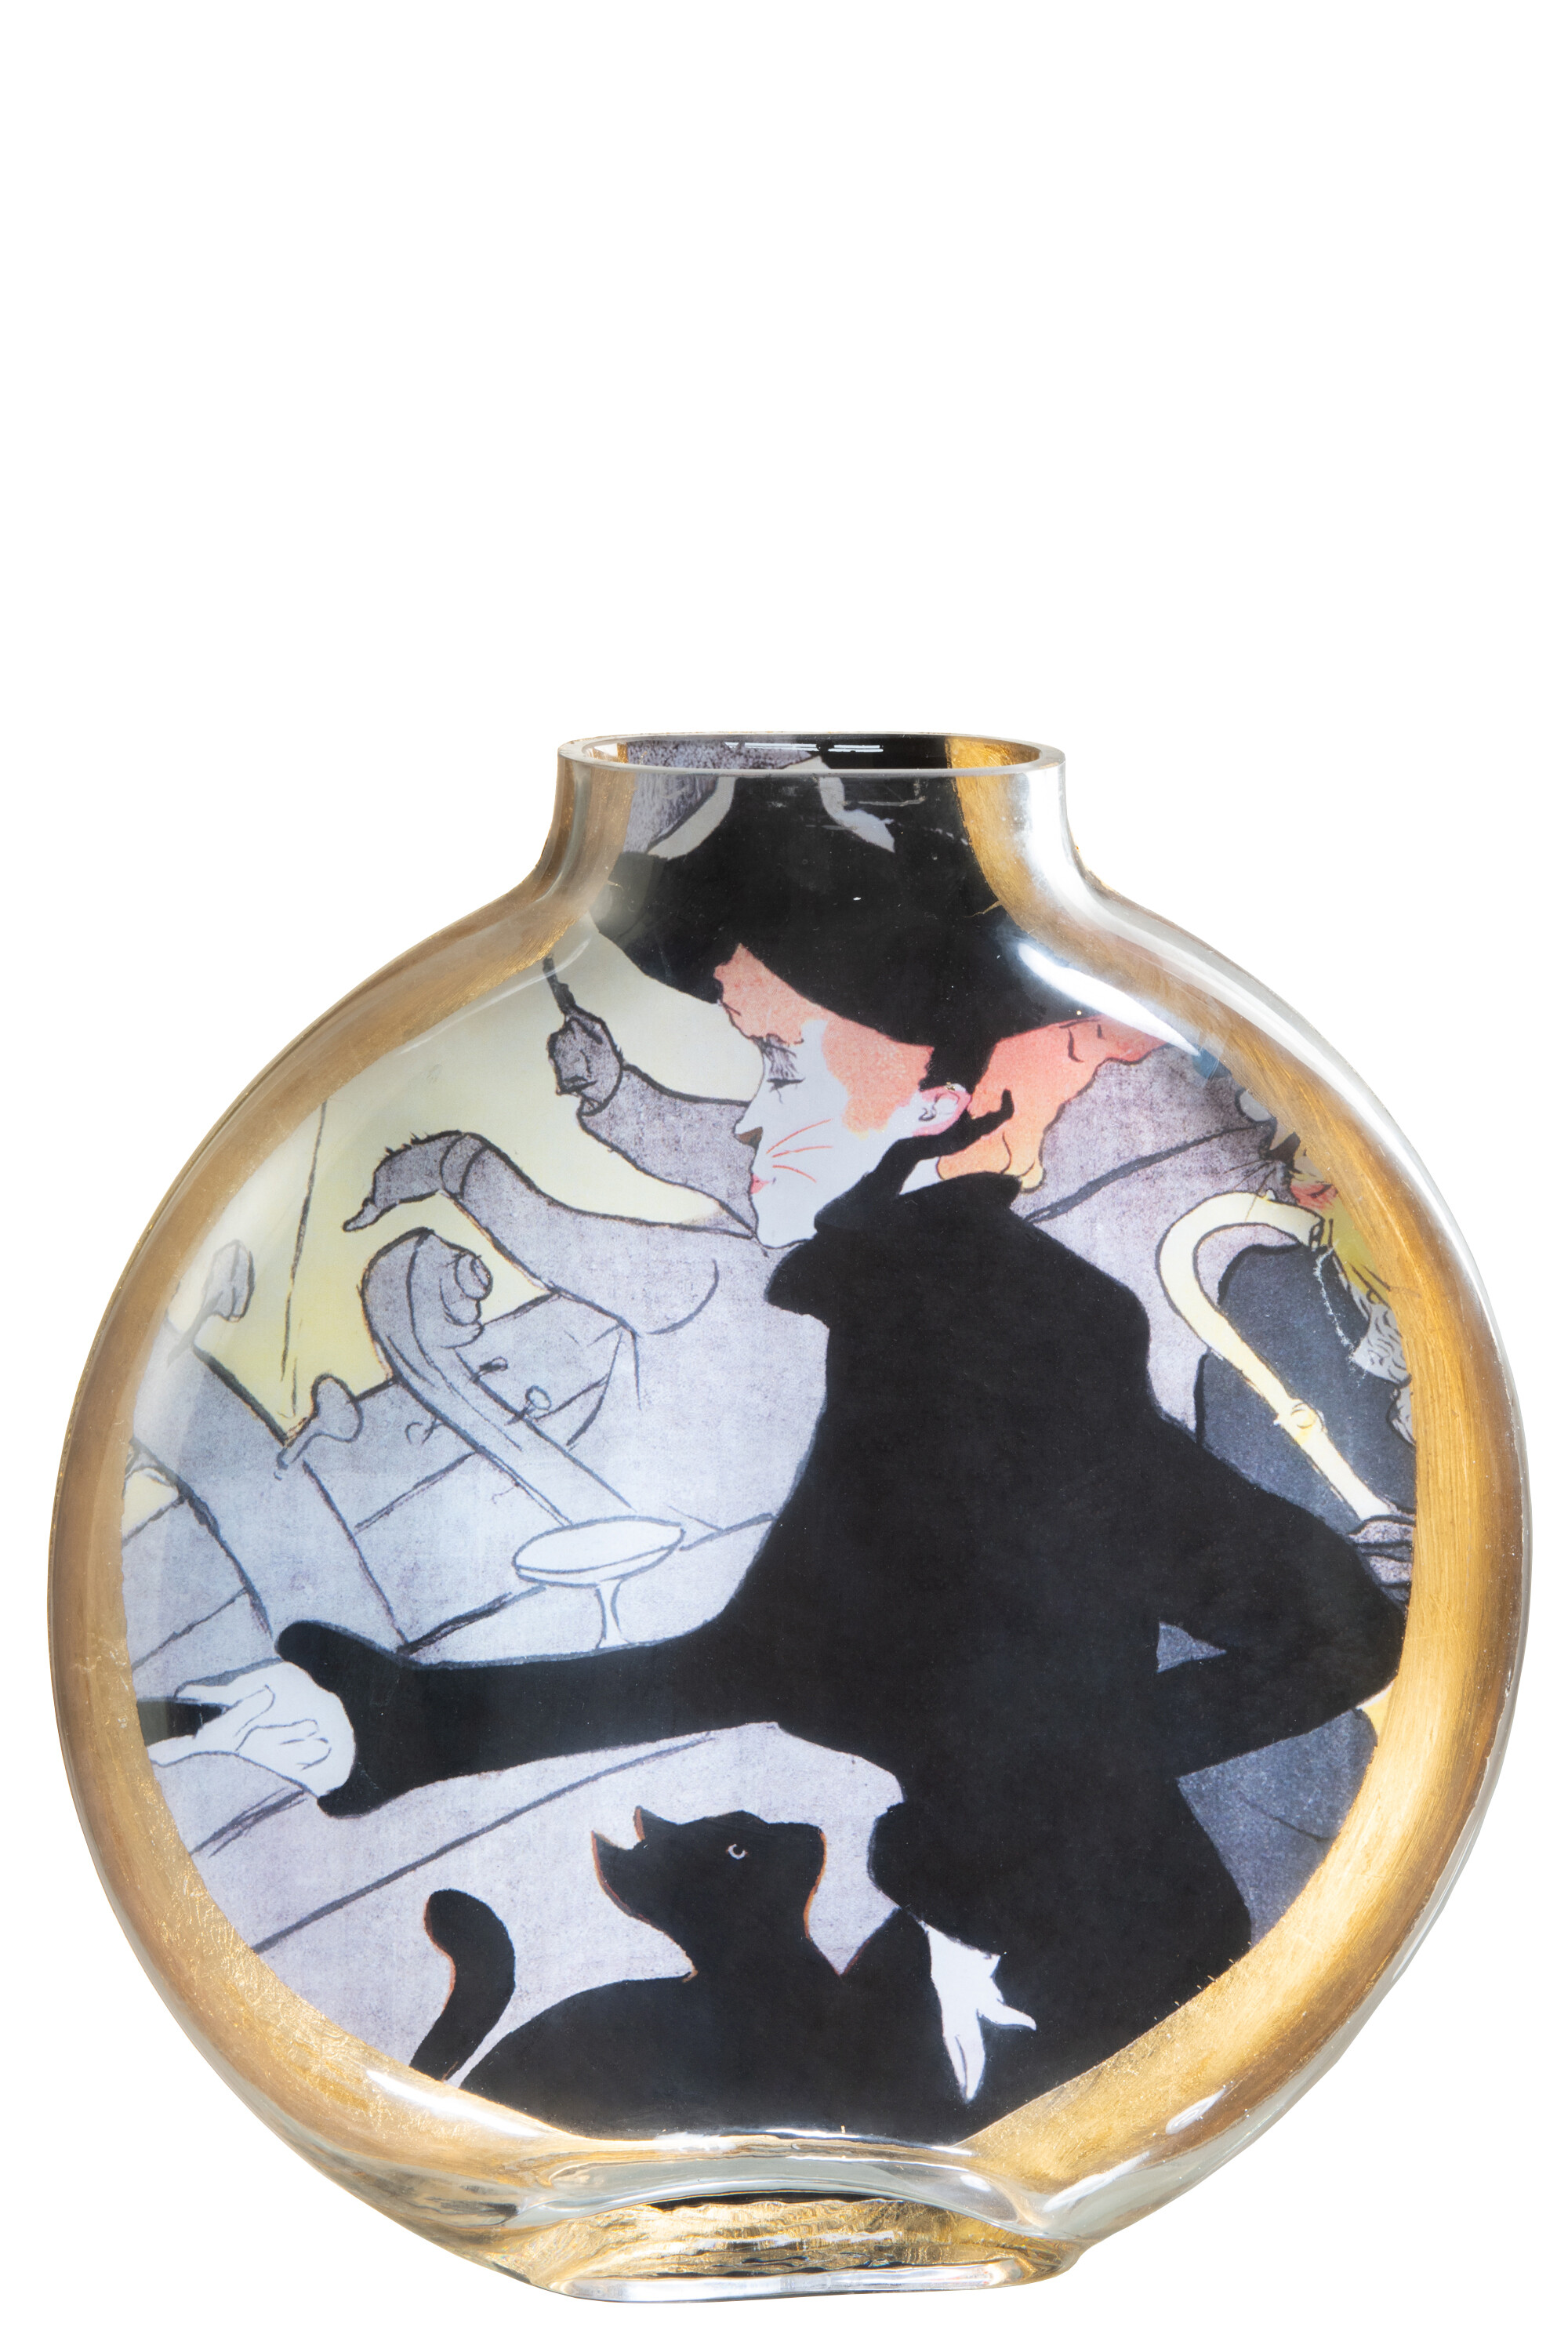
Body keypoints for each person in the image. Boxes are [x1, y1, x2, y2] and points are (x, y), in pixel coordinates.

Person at [189, 767, 1408, 2126]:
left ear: (933, 1101)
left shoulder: (1006, 1336)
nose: (751, 1114)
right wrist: (384, 1725)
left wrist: (1060, 1776)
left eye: (776, 1065)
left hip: (1088, 1982)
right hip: (991, 1939)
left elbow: (1338, 1634)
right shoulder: (923, 1323)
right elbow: (777, 1655)